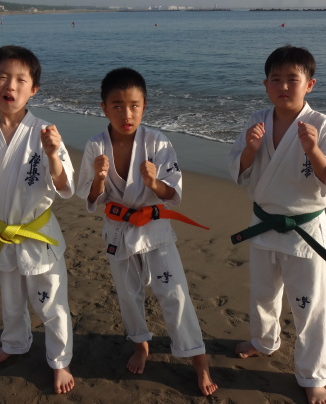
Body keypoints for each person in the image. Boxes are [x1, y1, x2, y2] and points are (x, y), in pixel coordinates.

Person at [76, 67, 218, 396]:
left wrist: (154, 183)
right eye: (117, 106)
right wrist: (99, 179)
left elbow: (173, 192)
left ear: (144, 106)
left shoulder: (158, 142)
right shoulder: (96, 145)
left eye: (134, 106)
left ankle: (199, 359)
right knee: (129, 295)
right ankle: (140, 345)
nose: (126, 114)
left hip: (155, 230)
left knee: (175, 294)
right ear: (104, 108)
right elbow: (90, 197)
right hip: (118, 231)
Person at [227, 45, 326, 404]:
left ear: (309, 84)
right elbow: (237, 170)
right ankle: (263, 340)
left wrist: (314, 151)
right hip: (263, 224)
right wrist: (251, 149)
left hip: (304, 231)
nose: (283, 86)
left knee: (308, 305)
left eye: (292, 79)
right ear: (265, 84)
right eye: (276, 79)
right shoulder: (257, 120)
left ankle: (313, 376)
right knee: (262, 293)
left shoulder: (321, 125)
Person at [0, 45, 75, 394]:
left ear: (34, 89)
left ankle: (60, 361)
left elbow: (64, 186)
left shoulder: (45, 132)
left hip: (37, 235)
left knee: (51, 302)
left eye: (21, 80)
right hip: (2, 234)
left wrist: (52, 154)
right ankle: (15, 343)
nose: (11, 85)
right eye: (3, 77)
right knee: (10, 300)